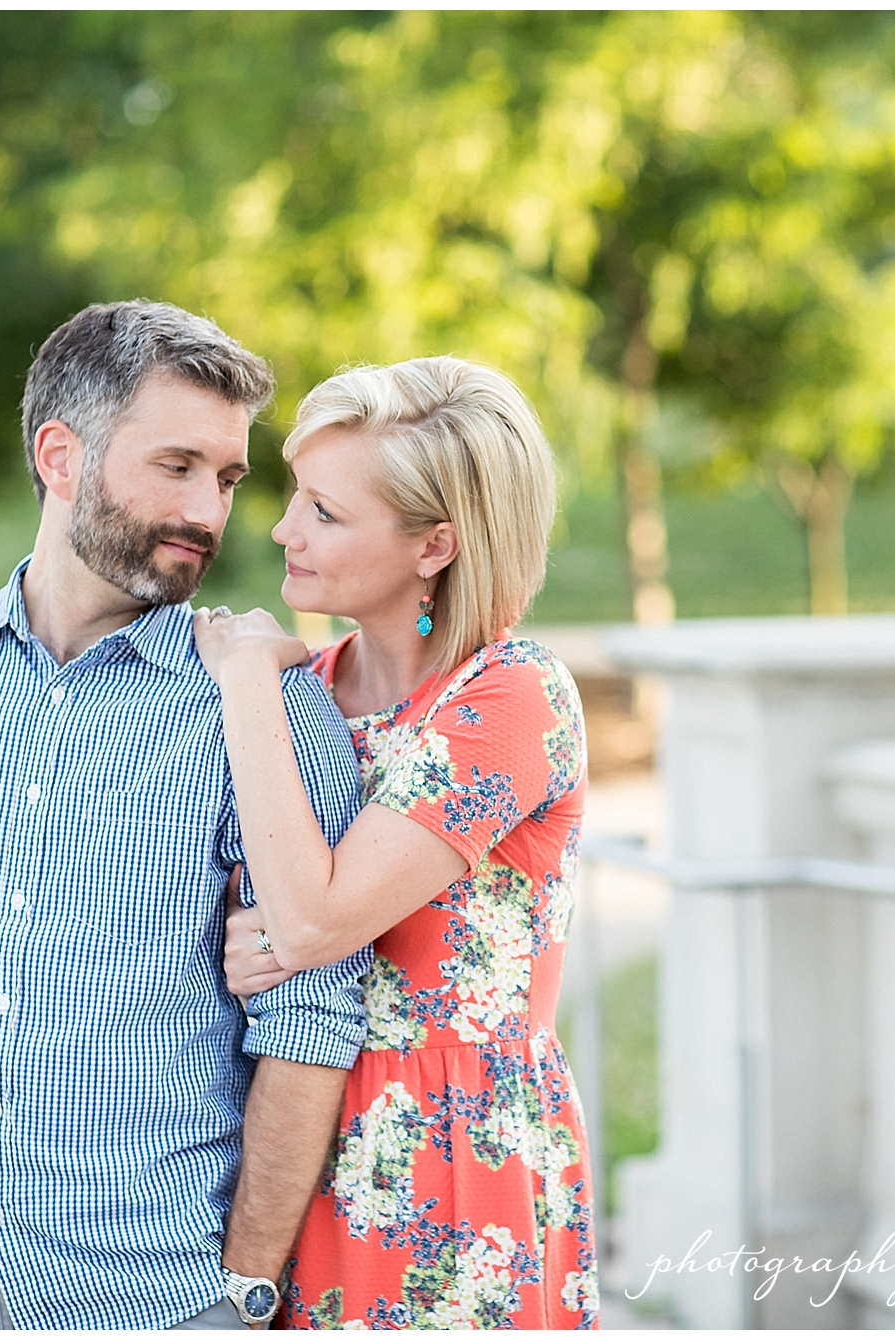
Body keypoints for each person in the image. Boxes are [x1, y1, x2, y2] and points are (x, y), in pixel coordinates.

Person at [0, 300, 370, 1330]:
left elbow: (311, 1022)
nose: (209, 510)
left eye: (227, 478)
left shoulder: (264, 709)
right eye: (176, 464)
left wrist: (242, 1289)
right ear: (60, 455)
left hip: (158, 1298)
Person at [190, 356, 598, 1329]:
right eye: (296, 497)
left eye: (325, 512)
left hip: (450, 1155)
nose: (284, 529)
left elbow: (315, 916)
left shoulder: (509, 698)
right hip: (296, 1138)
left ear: (434, 544)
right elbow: (264, 925)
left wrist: (246, 677)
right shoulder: (310, 683)